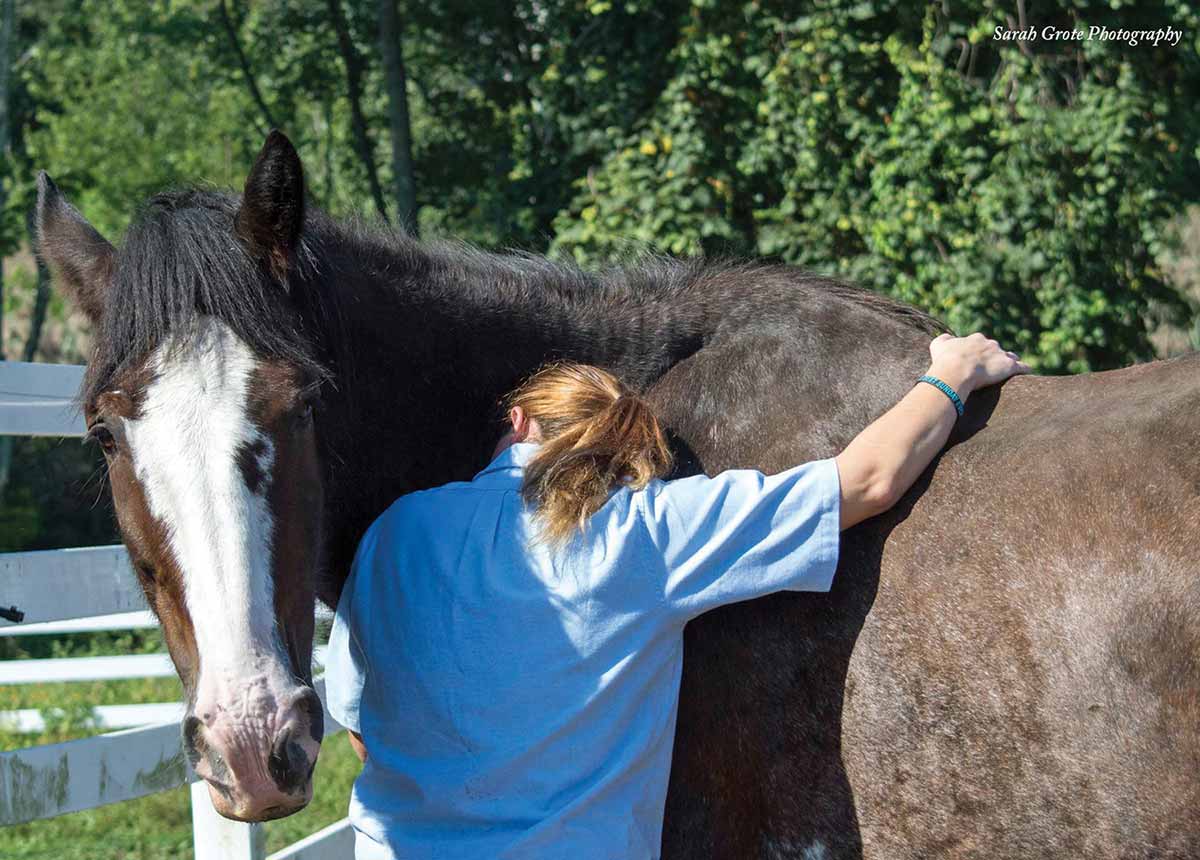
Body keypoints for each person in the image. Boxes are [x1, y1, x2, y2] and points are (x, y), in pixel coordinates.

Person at [325, 332, 1028, 859]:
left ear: (517, 423)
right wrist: (953, 373)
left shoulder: (395, 531)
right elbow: (867, 481)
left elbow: (360, 724)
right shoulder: (641, 532)